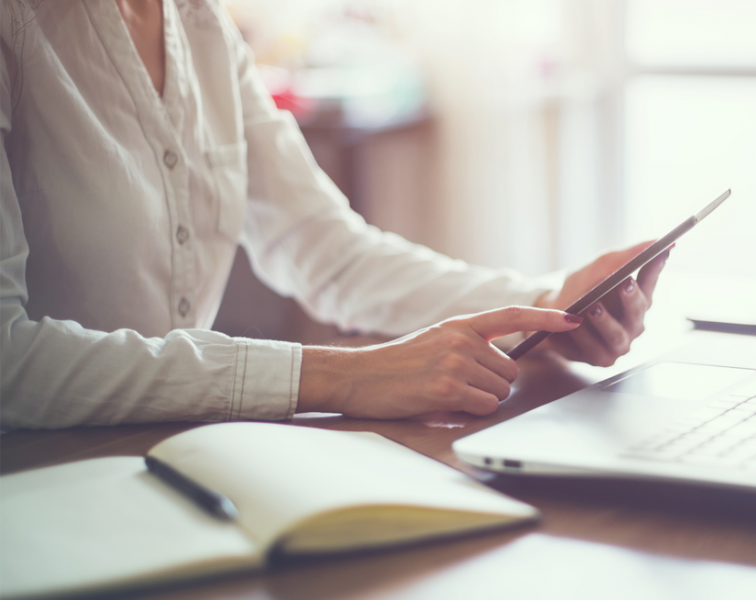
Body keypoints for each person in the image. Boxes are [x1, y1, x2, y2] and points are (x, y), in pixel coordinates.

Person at [0, 0, 668, 429]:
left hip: (174, 458)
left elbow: (328, 249)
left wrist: (544, 306)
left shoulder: (201, 28)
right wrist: (345, 375)